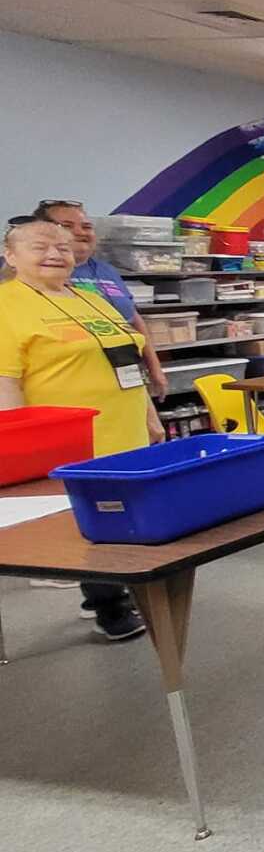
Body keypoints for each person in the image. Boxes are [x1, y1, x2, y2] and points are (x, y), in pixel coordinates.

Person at [0, 219, 161, 641]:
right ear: (10, 255)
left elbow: (126, 359)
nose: (55, 253)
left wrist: (149, 413)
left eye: (63, 247)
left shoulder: (90, 299)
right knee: (91, 521)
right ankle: (110, 605)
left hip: (124, 430)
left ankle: (124, 587)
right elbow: (4, 381)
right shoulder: (6, 305)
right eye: (40, 246)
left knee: (124, 516)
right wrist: (20, 442)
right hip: (65, 438)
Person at [35, 200, 166, 390]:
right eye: (66, 226)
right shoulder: (29, 273)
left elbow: (133, 318)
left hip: (125, 372)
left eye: (86, 226)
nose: (80, 232)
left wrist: (154, 368)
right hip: (71, 379)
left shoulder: (107, 271)